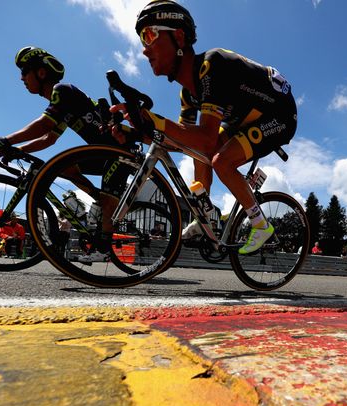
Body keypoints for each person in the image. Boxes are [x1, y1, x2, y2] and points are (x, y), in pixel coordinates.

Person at [114, 1, 297, 255]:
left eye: (149, 35)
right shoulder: (187, 95)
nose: (145, 50)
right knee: (196, 147)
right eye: (142, 41)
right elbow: (181, 139)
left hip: (279, 114)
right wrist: (136, 132)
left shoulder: (212, 65)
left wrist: (155, 119)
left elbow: (207, 139)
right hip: (243, 120)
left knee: (220, 160)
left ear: (178, 37)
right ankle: (204, 214)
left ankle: (260, 223)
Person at [0, 46, 125, 262]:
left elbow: (45, 125)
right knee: (63, 166)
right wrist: (17, 150)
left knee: (103, 196)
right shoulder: (64, 104)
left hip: (119, 151)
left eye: (24, 72)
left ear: (41, 72)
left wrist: (6, 141)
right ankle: (100, 204)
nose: (21, 78)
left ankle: (103, 248)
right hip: (103, 153)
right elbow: (49, 139)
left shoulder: (63, 91)